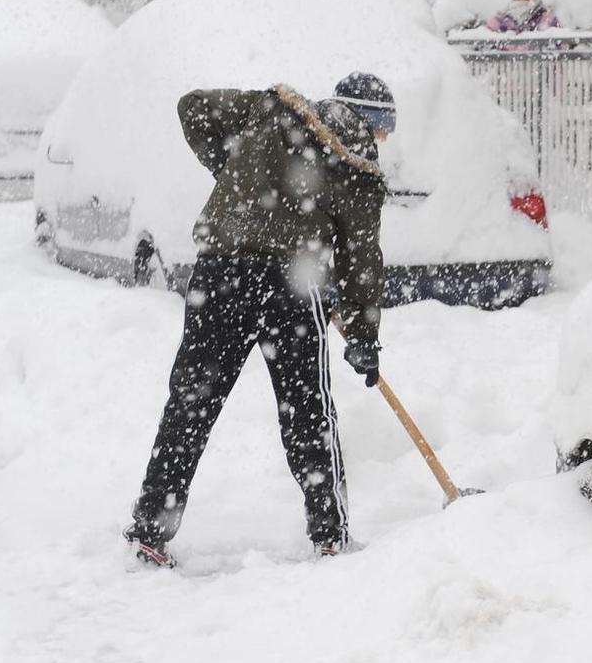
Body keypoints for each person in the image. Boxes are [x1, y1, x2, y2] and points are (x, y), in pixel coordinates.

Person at [123, 73, 395, 568]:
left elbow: (193, 105)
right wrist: (363, 336)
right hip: (291, 284)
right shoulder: (359, 169)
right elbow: (360, 262)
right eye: (384, 131)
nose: (382, 143)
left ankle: (149, 530)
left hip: (219, 272)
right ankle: (330, 535)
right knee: (309, 413)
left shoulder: (276, 111)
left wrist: (235, 175)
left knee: (190, 404)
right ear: (371, 122)